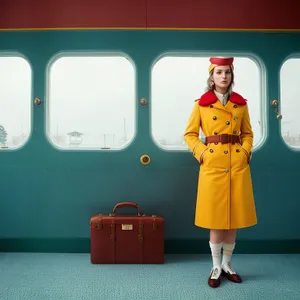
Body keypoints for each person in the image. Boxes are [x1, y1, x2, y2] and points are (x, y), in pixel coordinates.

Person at [184, 57, 257, 288]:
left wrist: (245, 152)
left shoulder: (241, 104)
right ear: (212, 77)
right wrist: (203, 153)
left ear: (231, 75)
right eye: (219, 72)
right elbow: (190, 134)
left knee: (233, 218)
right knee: (216, 219)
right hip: (213, 164)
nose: (223, 76)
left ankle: (228, 264)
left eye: (227, 72)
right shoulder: (201, 105)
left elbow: (248, 133)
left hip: (237, 165)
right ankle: (216, 266)